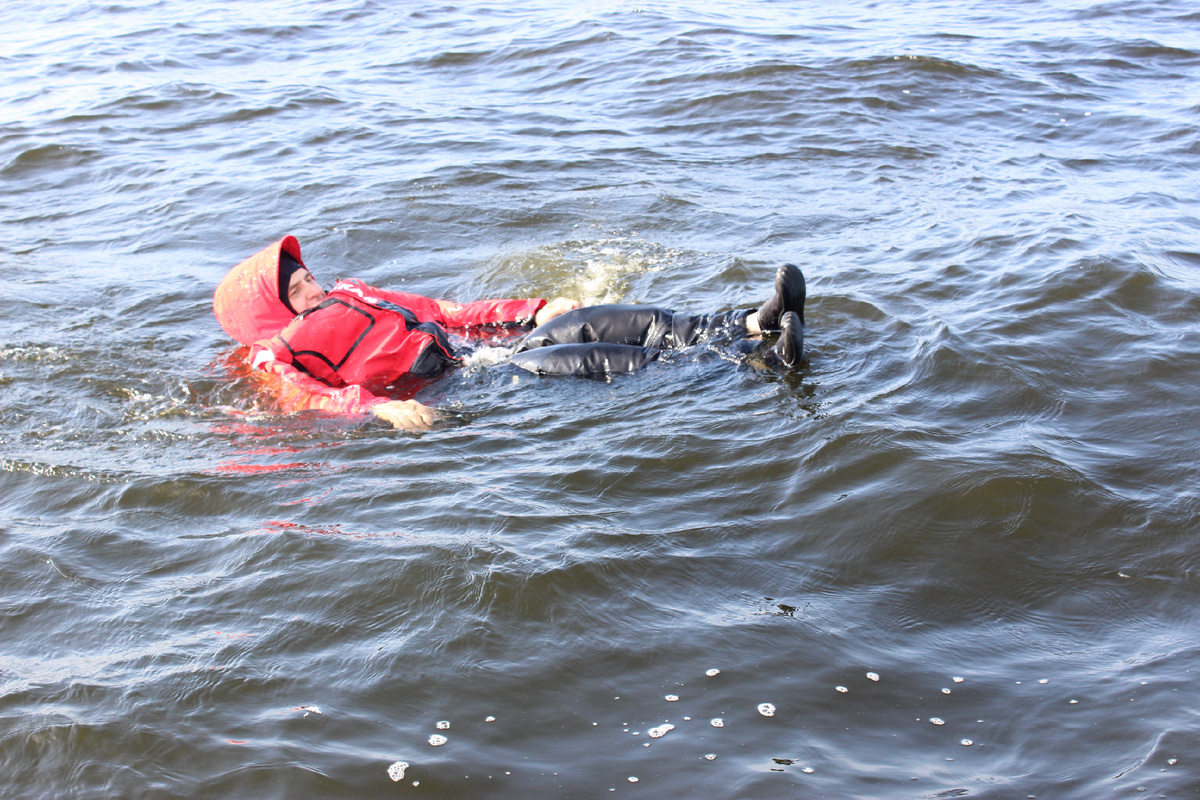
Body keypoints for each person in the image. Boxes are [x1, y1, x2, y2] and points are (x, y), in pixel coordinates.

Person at [213, 236, 806, 431]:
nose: (314, 293)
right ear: (271, 314)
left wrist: (536, 309)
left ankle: (752, 323)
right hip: (456, 391)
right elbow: (310, 398)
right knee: (592, 360)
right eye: (297, 294)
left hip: (479, 355)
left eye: (310, 279)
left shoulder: (354, 293)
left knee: (595, 321)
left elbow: (447, 312)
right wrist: (378, 411)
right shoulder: (274, 360)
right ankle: (755, 368)